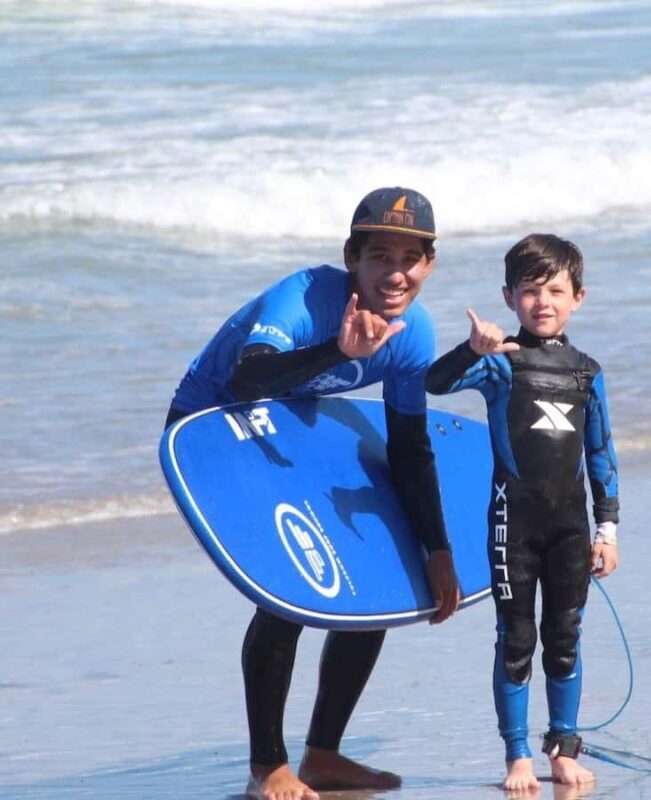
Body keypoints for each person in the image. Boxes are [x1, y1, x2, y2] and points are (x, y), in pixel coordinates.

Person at [165, 187, 460, 800]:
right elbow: (249, 377)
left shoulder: (414, 334)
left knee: (369, 571)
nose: (395, 271)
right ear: (353, 258)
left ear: (429, 266)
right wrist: (338, 351)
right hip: (212, 423)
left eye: (410, 257)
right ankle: (266, 768)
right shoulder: (303, 297)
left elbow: (409, 444)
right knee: (288, 589)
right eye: (380, 255)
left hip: (293, 424)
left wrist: (436, 547)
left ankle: (323, 754)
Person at [425, 233, 620, 791]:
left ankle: (563, 748)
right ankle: (516, 756)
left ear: (578, 297)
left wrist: (607, 529)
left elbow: (601, 453)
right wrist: (473, 350)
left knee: (565, 635)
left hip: (570, 529)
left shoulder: (587, 371)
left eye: (556, 290)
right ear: (509, 296)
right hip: (514, 526)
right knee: (516, 637)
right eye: (530, 291)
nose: (544, 302)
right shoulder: (499, 365)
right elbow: (433, 383)